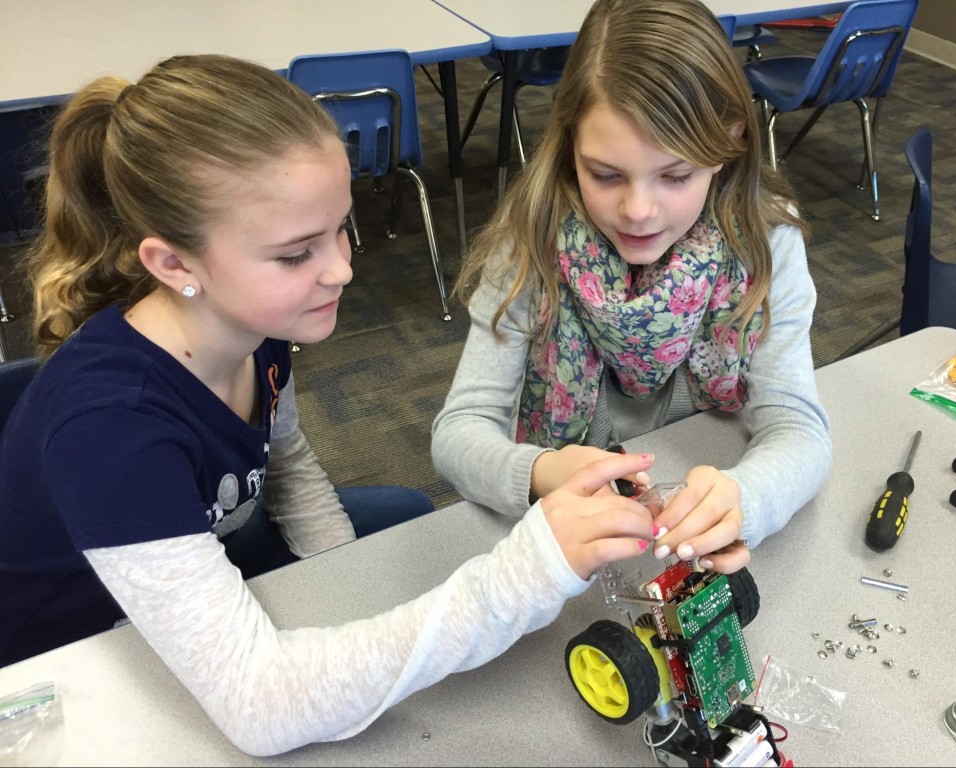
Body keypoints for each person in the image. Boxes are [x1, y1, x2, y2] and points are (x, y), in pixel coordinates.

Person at [0, 54, 659, 755]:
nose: (343, 268)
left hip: (208, 544)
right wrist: (522, 576)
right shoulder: (109, 432)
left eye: (341, 228)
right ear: (173, 265)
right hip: (75, 653)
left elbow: (286, 465)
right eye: (296, 253)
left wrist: (347, 592)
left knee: (400, 521)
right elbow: (262, 710)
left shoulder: (255, 327)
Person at [432, 0, 832, 575]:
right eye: (605, 174)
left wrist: (748, 498)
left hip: (682, 544)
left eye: (675, 176)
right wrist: (545, 471)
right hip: (564, 546)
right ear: (570, 146)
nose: (638, 211)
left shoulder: (765, 242)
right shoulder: (528, 240)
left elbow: (798, 427)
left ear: (728, 143)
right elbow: (457, 434)